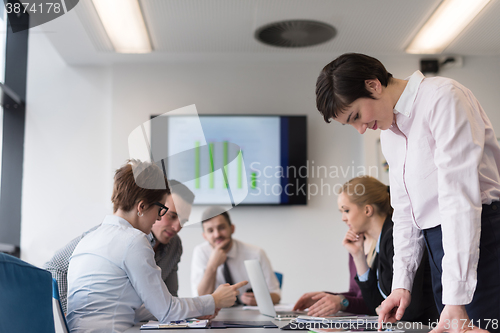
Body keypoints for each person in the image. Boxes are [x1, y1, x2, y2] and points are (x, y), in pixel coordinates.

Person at [315, 53, 500, 332]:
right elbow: (404, 214)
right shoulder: (390, 134)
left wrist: (457, 298)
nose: (360, 129)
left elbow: (458, 199)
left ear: (373, 85)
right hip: (439, 247)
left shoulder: (442, 97)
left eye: (356, 117)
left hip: (481, 236)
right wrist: (401, 285)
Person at [66, 160, 247, 333]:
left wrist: (199, 307)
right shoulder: (133, 240)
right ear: (142, 206)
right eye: (160, 209)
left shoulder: (89, 238)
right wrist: (213, 300)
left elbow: (140, 308)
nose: (159, 217)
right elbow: (167, 311)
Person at [43, 179, 194, 314]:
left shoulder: (174, 245)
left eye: (183, 221)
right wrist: (66, 319)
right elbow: (55, 267)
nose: (177, 227)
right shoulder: (105, 235)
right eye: (172, 216)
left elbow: (170, 297)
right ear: (151, 207)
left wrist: (190, 312)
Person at [191, 206, 280, 306]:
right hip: (217, 315)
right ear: (205, 236)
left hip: (249, 315)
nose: (217, 234)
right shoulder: (201, 252)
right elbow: (200, 300)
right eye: (210, 230)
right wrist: (212, 265)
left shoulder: (255, 253)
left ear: (232, 228)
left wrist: (260, 299)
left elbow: (276, 295)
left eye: (222, 228)